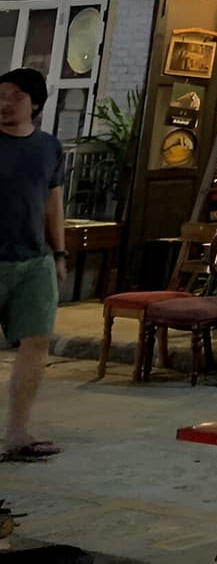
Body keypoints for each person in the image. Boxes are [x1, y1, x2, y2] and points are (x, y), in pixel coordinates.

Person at [0, 66, 67, 461]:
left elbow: (53, 204)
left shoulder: (48, 148)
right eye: (1, 95)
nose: (6, 103)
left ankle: (17, 433)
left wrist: (59, 253)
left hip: (34, 259)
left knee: (36, 342)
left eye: (16, 96)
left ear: (36, 104)